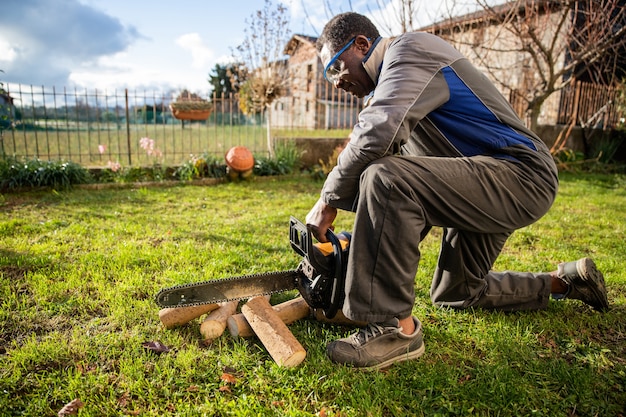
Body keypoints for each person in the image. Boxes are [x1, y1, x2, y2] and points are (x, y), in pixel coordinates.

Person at [305, 12, 609, 370]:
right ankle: (566, 282)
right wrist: (360, 247)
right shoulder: (398, 90)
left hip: (522, 175)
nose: (337, 81)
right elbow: (402, 206)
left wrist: (328, 201)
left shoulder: (409, 50)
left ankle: (394, 331)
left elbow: (379, 142)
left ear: (361, 44)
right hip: (484, 182)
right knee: (457, 293)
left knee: (385, 176)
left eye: (336, 67)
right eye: (330, 74)